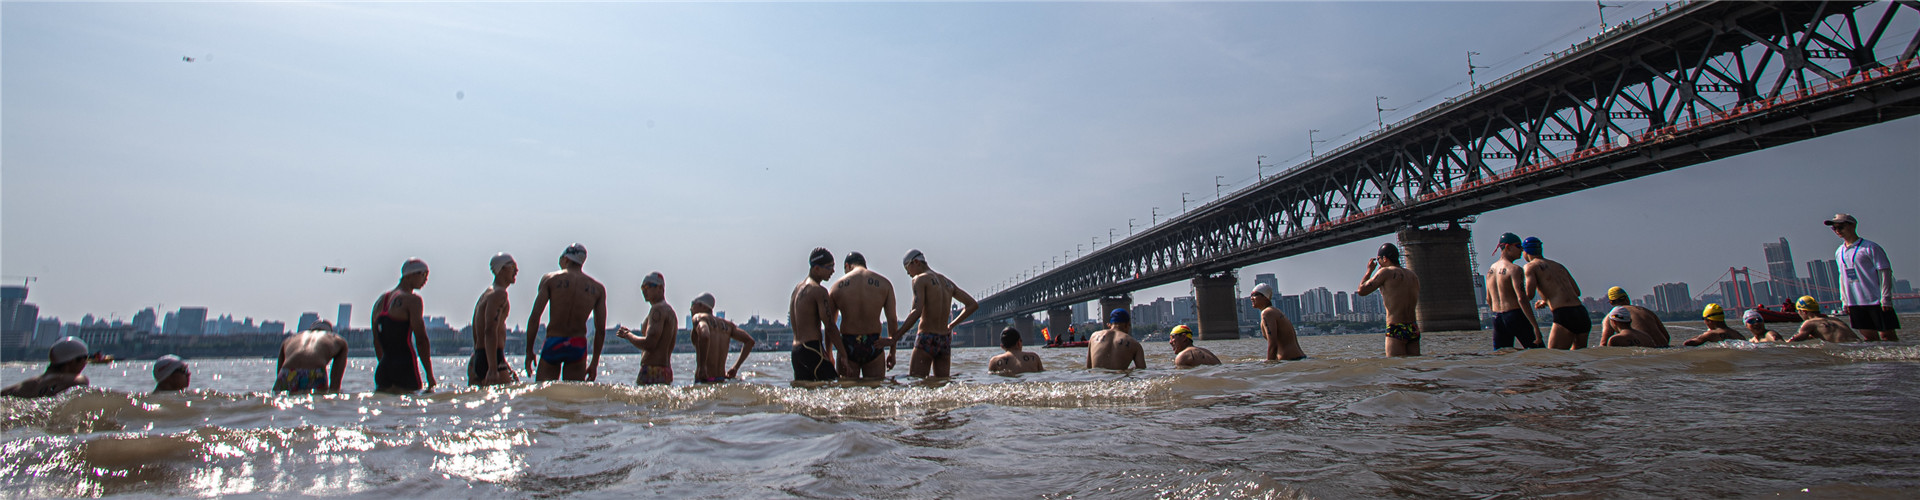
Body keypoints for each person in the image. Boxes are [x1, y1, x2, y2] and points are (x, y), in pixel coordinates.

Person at [525, 243, 609, 382]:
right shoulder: (597, 288)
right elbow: (600, 330)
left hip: (554, 341)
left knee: (544, 395)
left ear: (565, 259)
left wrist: (529, 352)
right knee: (573, 399)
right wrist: (594, 364)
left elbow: (535, 318)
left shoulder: (550, 280)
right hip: (577, 345)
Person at [898, 249, 979, 378]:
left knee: (916, 383)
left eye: (907, 268)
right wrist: (951, 325)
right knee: (943, 383)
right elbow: (972, 305)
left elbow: (916, 311)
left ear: (916, 262)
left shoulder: (919, 279)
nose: (908, 273)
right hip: (944, 340)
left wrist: (895, 337)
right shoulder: (946, 282)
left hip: (927, 338)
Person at [1826, 214, 1901, 341]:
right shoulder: (1839, 251)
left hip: (1877, 301)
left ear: (1852, 225)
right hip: (1855, 302)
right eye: (1834, 228)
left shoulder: (1870, 247)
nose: (1837, 230)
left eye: (1841, 227)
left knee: (1887, 336)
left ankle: (1895, 360)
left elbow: (1885, 272)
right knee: (1868, 337)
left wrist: (1886, 298)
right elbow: (1842, 277)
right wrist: (1844, 300)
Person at [831, 252, 901, 379]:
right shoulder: (884, 284)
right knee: (875, 393)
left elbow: (830, 324)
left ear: (847, 266)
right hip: (874, 343)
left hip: (848, 345)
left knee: (847, 394)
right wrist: (892, 352)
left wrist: (830, 353)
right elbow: (892, 320)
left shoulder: (837, 287)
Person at [372, 258, 435, 392]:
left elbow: (376, 340)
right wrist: (429, 376)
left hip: (383, 370)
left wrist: (384, 364)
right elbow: (421, 339)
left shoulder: (380, 301)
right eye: (423, 274)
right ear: (410, 275)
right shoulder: (412, 300)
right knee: (409, 410)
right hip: (405, 367)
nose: (426, 280)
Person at [1519, 237, 1589, 350]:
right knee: (1579, 358)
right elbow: (1577, 292)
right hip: (1581, 313)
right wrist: (1545, 300)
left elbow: (1529, 295)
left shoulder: (1530, 267)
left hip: (1564, 314)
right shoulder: (1558, 265)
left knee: (1555, 359)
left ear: (1525, 252)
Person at [1358, 242, 1422, 357]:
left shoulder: (1385, 272)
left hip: (1396, 327)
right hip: (1413, 328)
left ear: (1385, 258)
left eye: (1378, 260)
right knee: (1415, 367)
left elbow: (1361, 291)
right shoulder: (1413, 275)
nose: (1379, 263)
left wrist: (1369, 271)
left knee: (1396, 368)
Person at [615, 272, 678, 385]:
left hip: (652, 370)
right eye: (642, 287)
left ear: (660, 288)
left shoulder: (657, 309)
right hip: (666, 370)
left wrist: (628, 335)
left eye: (648, 286)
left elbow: (650, 343)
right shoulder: (670, 312)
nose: (644, 290)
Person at [788, 249, 841, 382]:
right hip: (811, 349)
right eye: (829, 267)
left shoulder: (796, 289)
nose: (833, 271)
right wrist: (843, 355)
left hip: (796, 351)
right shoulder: (819, 291)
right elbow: (829, 326)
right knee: (835, 386)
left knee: (805, 393)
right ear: (816, 268)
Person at [469, 253, 519, 387]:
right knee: (505, 403)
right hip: (491, 358)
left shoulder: (486, 294)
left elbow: (476, 328)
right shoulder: (499, 294)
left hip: (480, 356)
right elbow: (490, 330)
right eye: (513, 266)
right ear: (501, 269)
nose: (516, 270)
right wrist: (493, 367)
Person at [1486, 232, 1543, 349]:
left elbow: (1488, 299)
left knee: (1503, 355)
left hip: (1498, 319)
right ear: (1507, 247)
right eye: (1518, 246)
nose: (1522, 250)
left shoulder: (1491, 270)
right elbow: (1521, 298)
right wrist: (1535, 326)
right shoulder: (1515, 269)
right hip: (1515, 315)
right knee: (1538, 353)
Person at [688, 293, 756, 383]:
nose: (690, 308)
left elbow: (704, 335)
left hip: (705, 379)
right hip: (721, 379)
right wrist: (735, 368)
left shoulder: (699, 317)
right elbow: (749, 341)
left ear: (702, 306)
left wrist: (702, 367)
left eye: (692, 304)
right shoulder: (727, 325)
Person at [1, 337, 91, 398]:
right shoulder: (77, 381)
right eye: (85, 358)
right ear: (72, 361)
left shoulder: (13, 389)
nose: (86, 363)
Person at [276, 320, 349, 393]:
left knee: (279, 397)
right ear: (330, 332)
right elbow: (335, 381)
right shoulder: (338, 340)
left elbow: (279, 371)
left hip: (288, 371)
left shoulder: (290, 339)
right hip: (315, 371)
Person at [1600, 287, 1672, 347]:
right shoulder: (1646, 311)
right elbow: (1666, 337)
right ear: (1627, 298)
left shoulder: (1612, 316)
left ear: (1611, 302)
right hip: (1665, 348)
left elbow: (1603, 344)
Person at [1251, 283, 1305, 360]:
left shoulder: (1267, 313)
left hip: (1291, 360)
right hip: (1298, 359)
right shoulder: (1275, 311)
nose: (1251, 298)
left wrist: (1270, 365)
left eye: (1255, 295)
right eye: (1251, 295)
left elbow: (1273, 343)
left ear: (1265, 297)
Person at [1788, 295, 1861, 343]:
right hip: (1859, 344)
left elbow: (1793, 341)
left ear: (1803, 311)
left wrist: (1779, 340)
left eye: (1798, 311)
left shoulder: (1809, 323)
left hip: (1846, 348)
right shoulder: (1835, 319)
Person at [1682, 304, 1748, 346]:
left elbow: (1686, 344)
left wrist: (1703, 335)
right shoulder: (1737, 334)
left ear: (1709, 321)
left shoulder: (1710, 334)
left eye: (1704, 319)